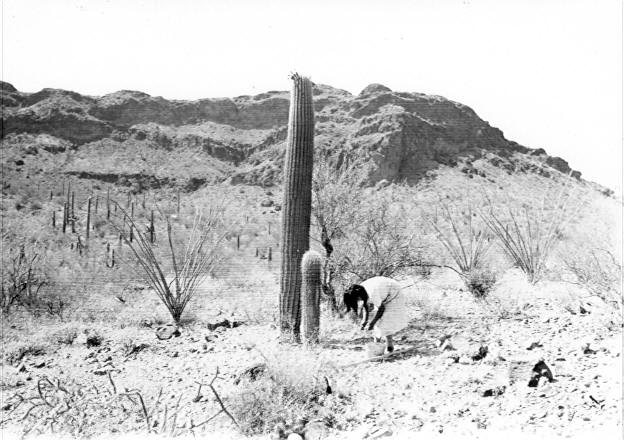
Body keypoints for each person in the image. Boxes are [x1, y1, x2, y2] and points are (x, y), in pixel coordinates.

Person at [343, 276, 409, 353]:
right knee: (377, 318)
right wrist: (365, 321)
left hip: (394, 291)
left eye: (357, 299)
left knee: (386, 319)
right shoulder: (359, 290)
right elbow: (365, 305)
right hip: (384, 290)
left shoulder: (371, 293)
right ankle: (377, 344)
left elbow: (381, 309)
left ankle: (389, 346)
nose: (357, 300)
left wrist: (372, 323)